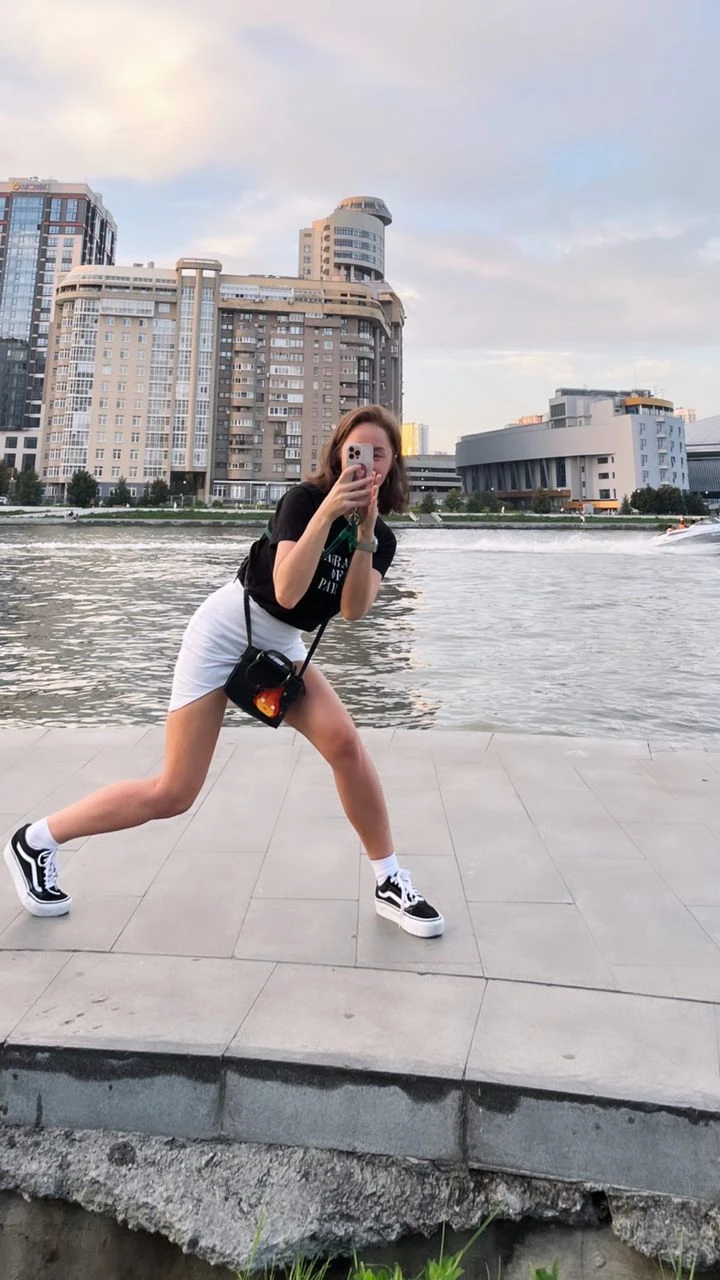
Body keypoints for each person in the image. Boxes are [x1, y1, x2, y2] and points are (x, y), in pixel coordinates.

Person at [4, 405, 444, 939]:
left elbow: (352, 610)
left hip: (280, 643)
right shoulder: (303, 502)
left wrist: (366, 532)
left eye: (379, 455)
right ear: (338, 454)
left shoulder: (383, 541)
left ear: (392, 465)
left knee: (346, 745)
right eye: (357, 451)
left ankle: (389, 880)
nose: (367, 464)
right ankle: (36, 841)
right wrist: (330, 511)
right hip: (225, 630)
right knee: (174, 792)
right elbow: (286, 590)